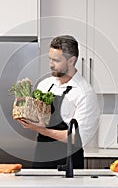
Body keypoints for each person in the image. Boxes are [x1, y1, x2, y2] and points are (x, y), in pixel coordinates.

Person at [17, 35, 100, 169]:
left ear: (71, 61)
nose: (51, 64)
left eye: (56, 60)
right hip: (41, 158)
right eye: (50, 59)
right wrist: (24, 112)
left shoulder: (85, 93)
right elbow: (38, 119)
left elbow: (76, 138)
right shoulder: (45, 85)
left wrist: (39, 129)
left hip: (68, 163)